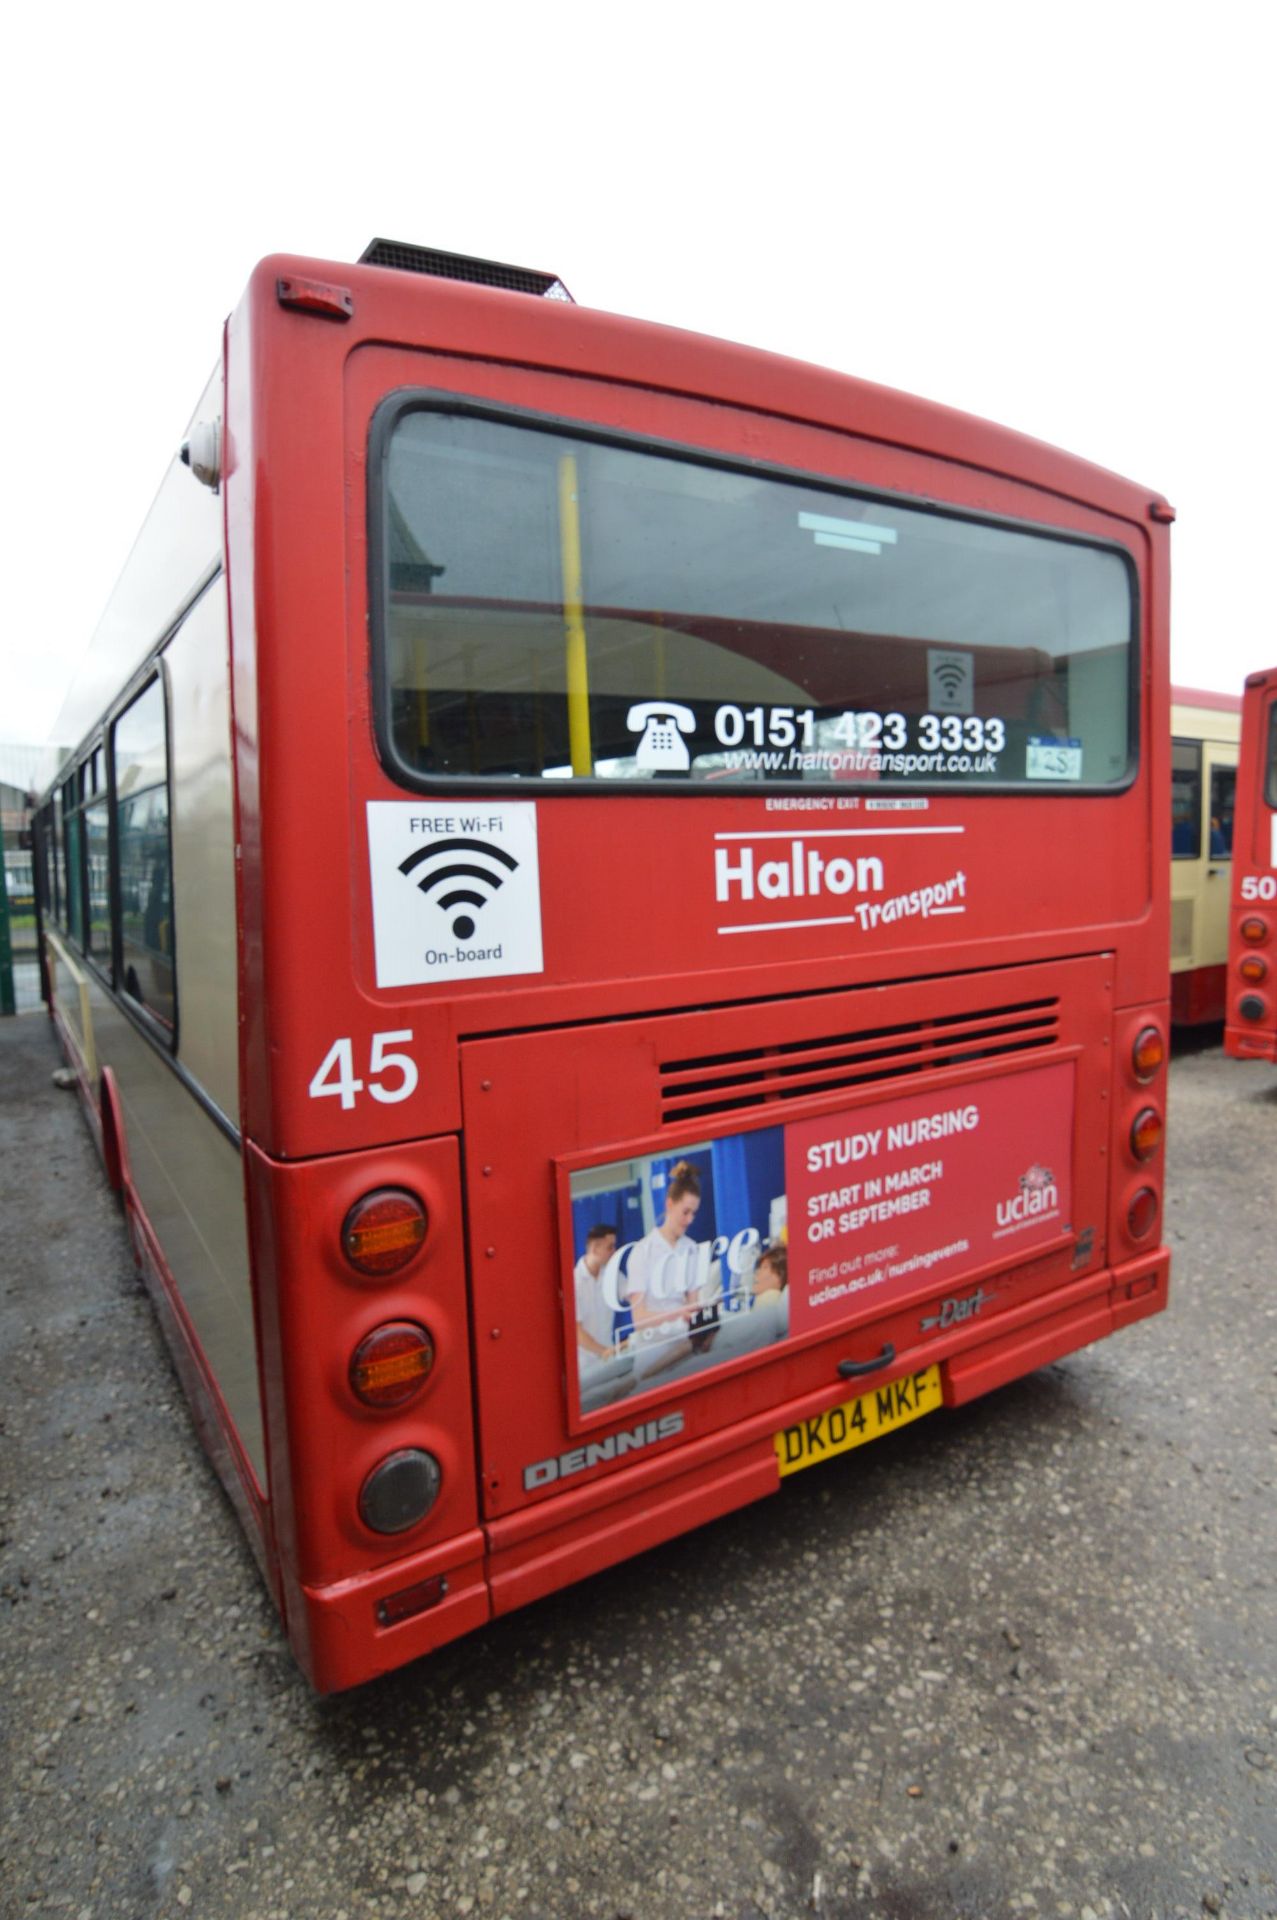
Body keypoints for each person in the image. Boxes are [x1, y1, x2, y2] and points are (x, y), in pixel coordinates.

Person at [622, 1161, 705, 1374]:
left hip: (684, 1353)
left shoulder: (693, 1249)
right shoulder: (642, 1252)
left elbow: (693, 1305)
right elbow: (639, 1320)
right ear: (669, 1204)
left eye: (694, 1213)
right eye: (685, 1212)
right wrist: (677, 1313)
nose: (690, 1220)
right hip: (653, 1355)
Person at [574, 1224, 619, 1366]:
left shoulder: (612, 1276)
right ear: (594, 1248)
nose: (614, 1251)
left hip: (609, 1360)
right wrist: (604, 1351)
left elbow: (633, 1294)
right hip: (584, 1366)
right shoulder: (574, 1282)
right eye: (609, 1247)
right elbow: (576, 1331)